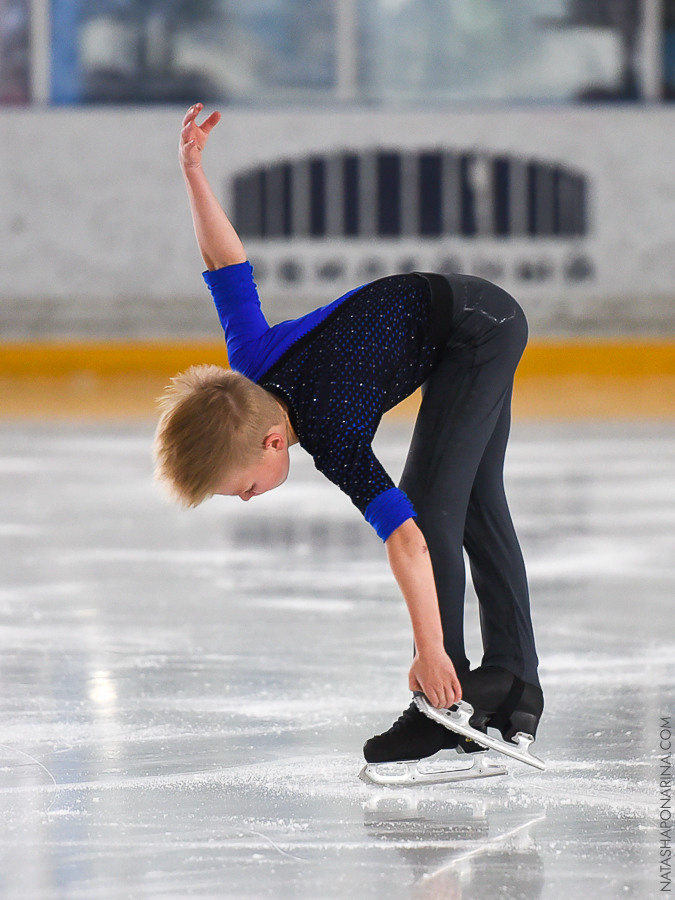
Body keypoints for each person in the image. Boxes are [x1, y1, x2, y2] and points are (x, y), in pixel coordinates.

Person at [154, 104, 544, 777]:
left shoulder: (330, 433)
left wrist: (427, 652)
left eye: (242, 486)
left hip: (478, 328)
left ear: (274, 442)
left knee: (431, 505)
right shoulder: (251, 365)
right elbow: (224, 263)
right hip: (465, 318)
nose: (246, 500)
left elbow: (408, 540)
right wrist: (192, 172)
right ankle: (512, 683)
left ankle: (440, 706)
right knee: (475, 503)